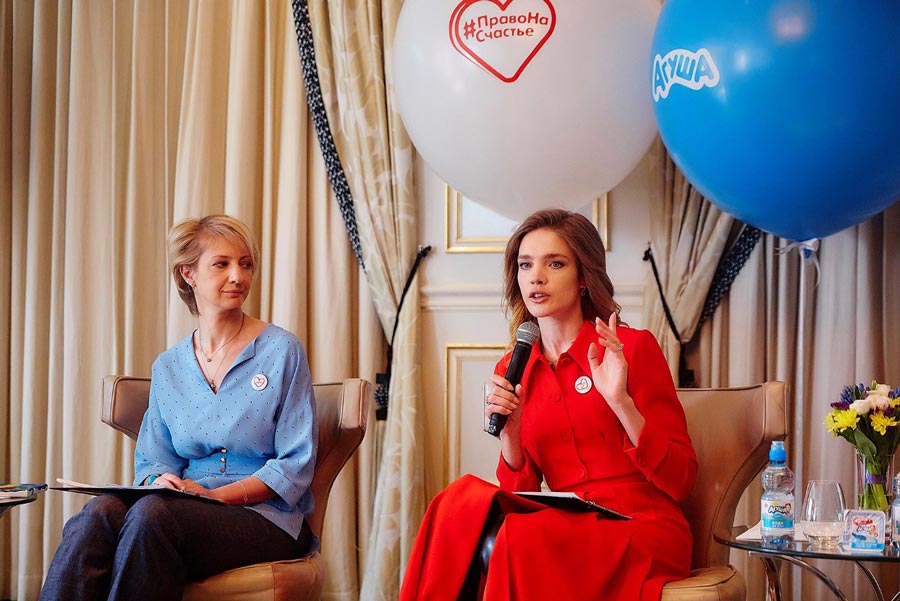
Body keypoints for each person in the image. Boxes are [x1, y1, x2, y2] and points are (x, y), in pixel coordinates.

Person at [400, 209, 697, 601]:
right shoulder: (513, 368)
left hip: (642, 528)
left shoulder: (631, 348)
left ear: (583, 277)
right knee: (455, 502)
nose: (535, 277)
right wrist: (512, 436)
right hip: (566, 523)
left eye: (554, 263)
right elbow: (520, 495)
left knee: (520, 538)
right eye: (525, 265)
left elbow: (682, 480)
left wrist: (621, 402)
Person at [39, 215, 317, 601]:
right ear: (189, 274)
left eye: (246, 264)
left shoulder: (282, 350)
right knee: (100, 512)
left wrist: (216, 496)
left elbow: (295, 465)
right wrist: (161, 481)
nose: (238, 276)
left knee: (152, 516)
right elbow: (153, 460)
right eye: (221, 264)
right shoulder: (168, 366)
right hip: (182, 506)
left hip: (266, 516)